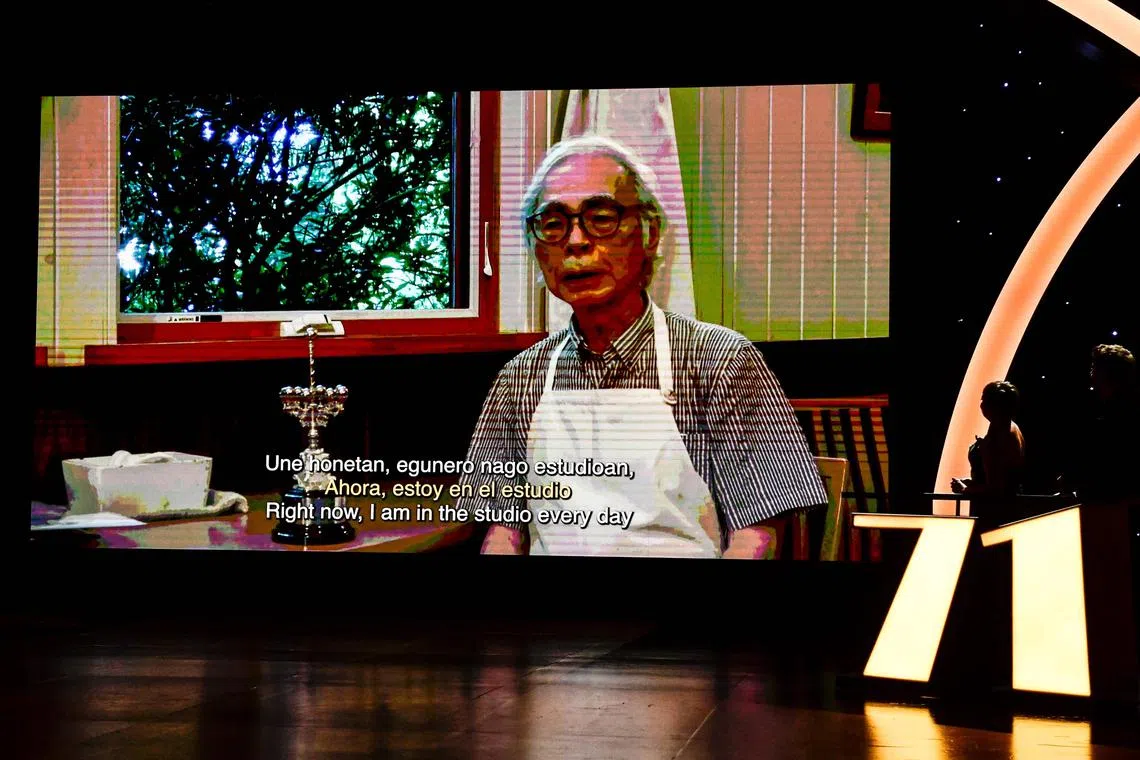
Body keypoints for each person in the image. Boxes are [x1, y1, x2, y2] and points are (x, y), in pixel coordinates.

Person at [455, 135, 827, 559]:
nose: (575, 242)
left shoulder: (720, 359)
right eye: (553, 224)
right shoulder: (520, 377)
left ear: (649, 233)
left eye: (601, 217)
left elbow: (757, 538)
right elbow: (503, 535)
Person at [1062, 344, 1140, 505]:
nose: (1091, 371)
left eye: (1095, 366)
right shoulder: (1119, 408)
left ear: (1107, 372)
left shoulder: (1118, 414)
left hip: (1113, 506)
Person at [950, 381, 1026, 526]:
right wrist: (973, 481)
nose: (981, 404)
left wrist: (965, 489)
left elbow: (996, 489)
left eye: (984, 399)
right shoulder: (1011, 428)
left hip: (993, 513)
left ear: (996, 406)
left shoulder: (1000, 437)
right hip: (1009, 507)